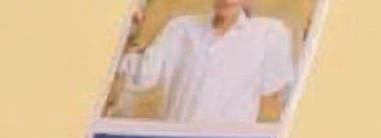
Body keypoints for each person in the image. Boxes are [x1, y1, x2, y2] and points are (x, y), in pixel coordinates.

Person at [114, 1, 296, 126]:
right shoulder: (181, 27)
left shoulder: (268, 33)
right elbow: (143, 76)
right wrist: (126, 35)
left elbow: (283, 91)